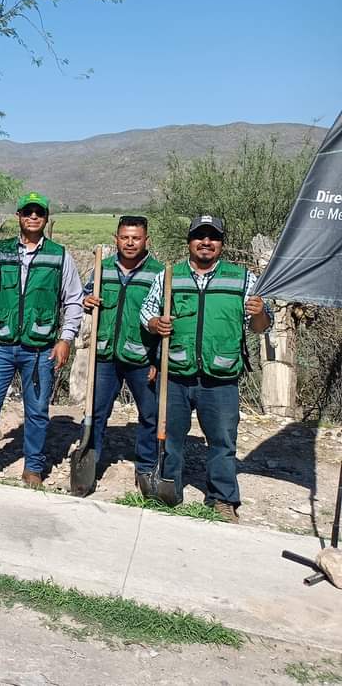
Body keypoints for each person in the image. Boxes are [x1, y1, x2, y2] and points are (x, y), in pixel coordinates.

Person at [141, 214, 271, 523]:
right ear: (189, 242)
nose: (206, 242)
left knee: (223, 443)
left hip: (221, 378)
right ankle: (169, 491)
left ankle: (222, 499)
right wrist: (155, 323)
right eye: (200, 236)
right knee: (170, 437)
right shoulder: (169, 276)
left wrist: (260, 312)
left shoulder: (242, 279)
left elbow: (261, 327)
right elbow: (147, 311)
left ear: (221, 244)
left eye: (213, 237)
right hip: (176, 374)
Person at [0, 192, 83, 487]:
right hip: (0, 346)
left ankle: (33, 469)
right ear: (19, 217)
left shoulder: (59, 256)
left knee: (37, 413)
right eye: (28, 212)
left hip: (39, 350)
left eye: (39, 212)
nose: (33, 217)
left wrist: (65, 339)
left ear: (46, 218)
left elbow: (74, 301)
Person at [81, 215, 163, 486]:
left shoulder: (159, 274)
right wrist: (86, 300)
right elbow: (84, 297)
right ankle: (89, 465)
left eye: (136, 238)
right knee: (96, 413)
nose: (130, 243)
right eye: (125, 237)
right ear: (116, 239)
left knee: (150, 415)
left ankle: (146, 469)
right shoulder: (100, 268)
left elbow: (165, 321)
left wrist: (158, 361)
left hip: (143, 359)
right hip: (104, 357)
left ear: (146, 240)